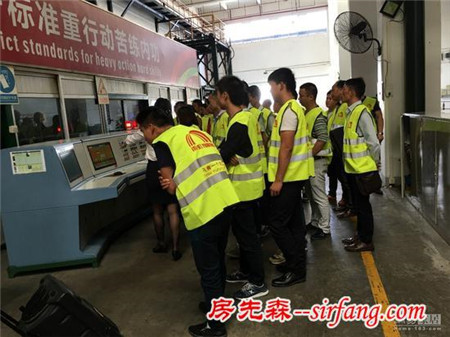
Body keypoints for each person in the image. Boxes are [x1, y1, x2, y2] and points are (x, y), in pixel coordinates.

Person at [140, 106, 239, 337]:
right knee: (218, 260)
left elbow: (172, 187)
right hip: (225, 199)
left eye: (143, 130)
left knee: (209, 268)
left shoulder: (162, 142)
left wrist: (170, 183)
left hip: (202, 208)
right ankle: (218, 306)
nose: (144, 135)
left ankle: (215, 326)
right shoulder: (196, 132)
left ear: (152, 128)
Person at [216, 76, 268, 299]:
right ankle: (247, 272)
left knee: (247, 238)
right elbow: (229, 150)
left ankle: (257, 282)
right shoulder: (245, 117)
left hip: (242, 190)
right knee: (245, 236)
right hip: (249, 187)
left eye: (217, 94)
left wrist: (225, 155)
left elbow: (221, 153)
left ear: (225, 96)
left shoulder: (238, 122)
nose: (215, 98)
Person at [266, 68, 314, 287]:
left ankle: (295, 266)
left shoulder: (289, 111)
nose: (271, 90)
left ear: (281, 85)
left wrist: (278, 180)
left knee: (277, 223)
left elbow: (285, 147)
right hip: (295, 176)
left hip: (288, 178)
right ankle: (297, 266)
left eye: (272, 86)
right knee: (294, 223)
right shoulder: (291, 108)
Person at [125, 108, 182, 261]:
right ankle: (176, 248)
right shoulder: (173, 130)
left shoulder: (147, 132)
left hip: (153, 168)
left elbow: (128, 141)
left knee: (157, 211)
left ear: (150, 126)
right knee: (173, 210)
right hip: (170, 168)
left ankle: (161, 243)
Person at [341, 78, 380, 252]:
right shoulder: (351, 112)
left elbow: (374, 143)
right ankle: (360, 235)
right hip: (353, 168)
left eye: (344, 89)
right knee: (358, 206)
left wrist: (375, 162)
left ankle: (366, 240)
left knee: (363, 207)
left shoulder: (362, 112)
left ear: (351, 91)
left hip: (362, 169)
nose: (342, 92)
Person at [299, 83, 332, 240]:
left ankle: (324, 228)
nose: (299, 98)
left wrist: (309, 154)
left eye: (302, 95)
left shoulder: (318, 115)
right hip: (311, 162)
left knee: (319, 195)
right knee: (312, 195)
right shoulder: (307, 114)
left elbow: (322, 138)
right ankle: (315, 222)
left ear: (311, 97)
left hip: (317, 161)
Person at [329, 80, 354, 218]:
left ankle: (351, 207)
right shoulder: (337, 108)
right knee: (343, 180)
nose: (333, 93)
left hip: (343, 149)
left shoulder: (346, 107)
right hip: (336, 149)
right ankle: (347, 205)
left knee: (347, 181)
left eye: (334, 90)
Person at [325, 90, 340, 203]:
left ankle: (345, 198)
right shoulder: (325, 114)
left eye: (331, 99)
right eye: (327, 98)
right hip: (328, 149)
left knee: (339, 173)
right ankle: (332, 194)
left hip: (336, 148)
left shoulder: (338, 113)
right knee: (331, 173)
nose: (328, 101)